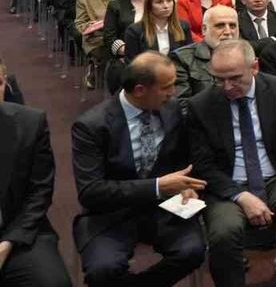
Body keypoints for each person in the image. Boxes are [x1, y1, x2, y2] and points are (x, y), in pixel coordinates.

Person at [187, 40, 276, 287]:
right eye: (219, 79)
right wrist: (241, 196)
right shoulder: (201, 105)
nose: (226, 86)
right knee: (224, 232)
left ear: (255, 67)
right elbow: (203, 165)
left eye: (234, 78)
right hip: (228, 185)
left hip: (275, 178)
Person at [70, 53, 207, 287]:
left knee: (192, 252)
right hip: (112, 213)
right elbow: (91, 192)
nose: (173, 92)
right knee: (103, 270)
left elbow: (181, 159)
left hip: (165, 209)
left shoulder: (172, 109)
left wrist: (186, 186)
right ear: (140, 90)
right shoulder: (91, 125)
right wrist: (157, 187)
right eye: (166, 87)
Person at [0, 99, 73, 287]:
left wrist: (7, 244)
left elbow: (39, 192)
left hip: (17, 228)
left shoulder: (30, 122)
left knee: (53, 282)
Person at [123, 0, 192, 59]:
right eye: (159, 2)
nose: (166, 6)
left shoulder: (183, 26)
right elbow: (131, 62)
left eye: (169, 1)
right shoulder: (134, 31)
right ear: (149, 6)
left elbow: (188, 57)